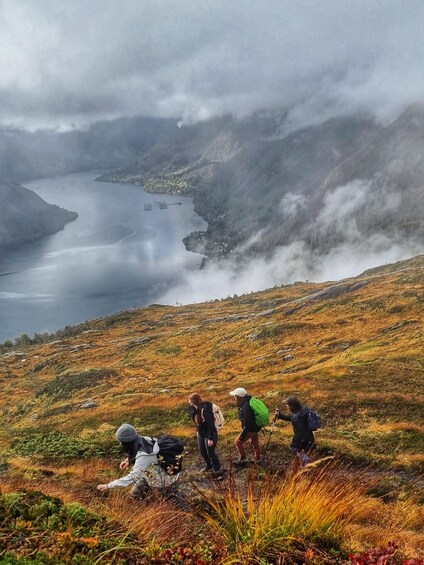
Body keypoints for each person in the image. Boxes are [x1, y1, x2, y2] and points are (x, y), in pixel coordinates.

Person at [97, 423, 180, 499]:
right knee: (134, 496)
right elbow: (135, 452)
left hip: (163, 480)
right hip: (150, 475)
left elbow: (132, 477)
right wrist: (128, 461)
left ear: (127, 442)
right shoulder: (142, 439)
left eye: (121, 442)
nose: (120, 444)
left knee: (164, 502)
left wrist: (108, 485)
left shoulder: (144, 455)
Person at [188, 393, 223, 480]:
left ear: (192, 401)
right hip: (201, 432)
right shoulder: (196, 408)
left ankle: (217, 471)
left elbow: (211, 424)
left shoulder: (205, 409)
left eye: (189, 400)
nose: (188, 402)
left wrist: (210, 438)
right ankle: (209, 465)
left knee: (210, 452)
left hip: (209, 433)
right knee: (203, 450)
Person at [275, 396, 316, 466]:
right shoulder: (302, 410)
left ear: (292, 406)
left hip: (303, 439)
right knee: (302, 452)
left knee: (296, 450)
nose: (286, 406)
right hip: (309, 437)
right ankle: (305, 466)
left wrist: (296, 444)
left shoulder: (297, 416)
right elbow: (291, 417)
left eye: (287, 405)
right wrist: (280, 415)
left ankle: (306, 465)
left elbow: (300, 432)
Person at [229, 387, 261, 466]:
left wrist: (243, 435)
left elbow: (247, 422)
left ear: (239, 397)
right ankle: (258, 459)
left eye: (235, 397)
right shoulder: (248, 402)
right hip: (256, 427)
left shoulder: (246, 407)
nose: (234, 398)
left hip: (250, 428)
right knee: (255, 443)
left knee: (237, 442)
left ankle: (243, 458)